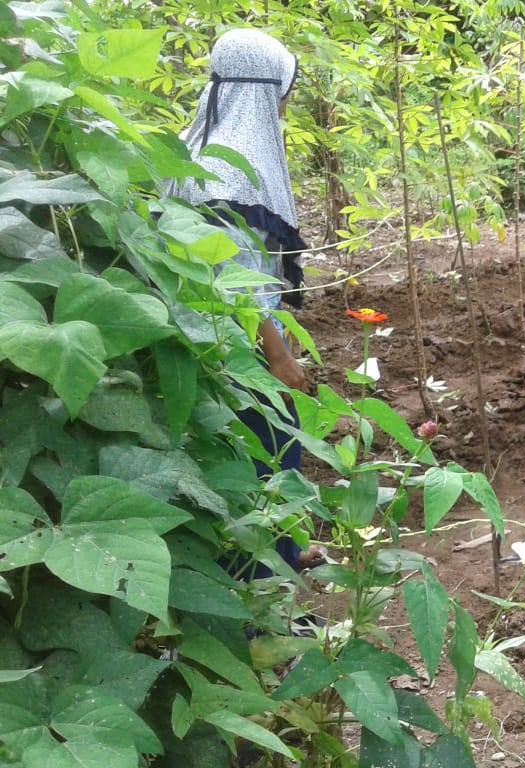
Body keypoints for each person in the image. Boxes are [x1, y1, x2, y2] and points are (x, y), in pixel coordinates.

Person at [169, 28, 320, 573]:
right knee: (267, 449)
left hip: (200, 334)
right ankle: (262, 580)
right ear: (261, 90)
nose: (284, 107)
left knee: (244, 448)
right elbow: (235, 284)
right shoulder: (233, 174)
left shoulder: (196, 147)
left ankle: (283, 553)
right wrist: (278, 356)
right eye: (283, 94)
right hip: (237, 342)